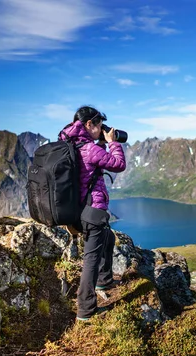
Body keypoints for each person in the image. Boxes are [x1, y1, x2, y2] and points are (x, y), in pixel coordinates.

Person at [59, 105, 126, 321]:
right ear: (89, 124)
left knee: (108, 238)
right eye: (99, 125)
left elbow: (87, 164)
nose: (102, 129)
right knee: (91, 259)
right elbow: (118, 164)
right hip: (93, 210)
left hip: (79, 210)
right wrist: (113, 143)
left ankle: (104, 280)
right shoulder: (89, 149)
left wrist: (101, 143)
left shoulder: (73, 145)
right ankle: (86, 310)